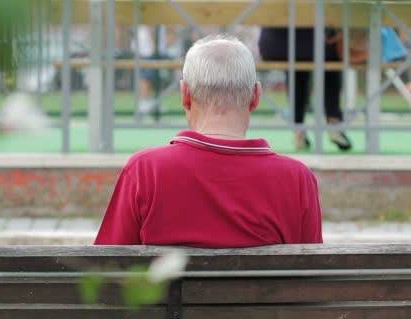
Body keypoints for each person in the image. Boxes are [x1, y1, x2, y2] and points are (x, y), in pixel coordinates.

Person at [94, 35, 322, 247]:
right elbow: (311, 276)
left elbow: (107, 269)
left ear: (185, 94)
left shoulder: (145, 170)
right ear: (255, 97)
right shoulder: (298, 180)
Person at [258, 28, 352, 151]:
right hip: (315, 44)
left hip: (274, 46)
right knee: (332, 58)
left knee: (295, 61)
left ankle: (298, 130)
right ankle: (334, 122)